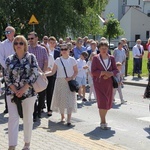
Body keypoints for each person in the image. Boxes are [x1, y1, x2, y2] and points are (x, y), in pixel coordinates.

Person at [5, 35, 39, 150]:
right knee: (13, 118)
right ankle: (12, 145)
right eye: (16, 43)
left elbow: (35, 74)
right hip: (12, 93)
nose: (18, 45)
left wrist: (24, 89)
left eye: (21, 43)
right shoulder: (9, 59)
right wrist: (16, 90)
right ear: (13, 46)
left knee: (28, 118)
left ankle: (27, 144)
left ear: (25, 45)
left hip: (29, 93)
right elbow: (7, 77)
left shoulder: (31, 58)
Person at [45, 44, 78, 126]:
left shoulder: (72, 60)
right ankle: (62, 116)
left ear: (69, 50)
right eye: (62, 49)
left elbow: (76, 71)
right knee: (61, 100)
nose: (63, 51)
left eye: (65, 49)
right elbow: (53, 72)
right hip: (60, 81)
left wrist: (71, 78)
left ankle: (69, 119)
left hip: (69, 82)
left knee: (70, 100)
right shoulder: (57, 60)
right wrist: (43, 74)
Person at [91, 40, 118, 130]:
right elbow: (93, 71)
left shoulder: (112, 58)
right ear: (99, 49)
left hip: (108, 83)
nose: (104, 50)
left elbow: (115, 70)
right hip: (99, 83)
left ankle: (103, 118)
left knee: (107, 102)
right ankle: (103, 121)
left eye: (105, 48)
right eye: (102, 48)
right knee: (102, 101)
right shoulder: (96, 58)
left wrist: (110, 74)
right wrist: (103, 73)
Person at [28, 31, 48, 121]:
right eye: (28, 39)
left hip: (40, 76)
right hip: (30, 77)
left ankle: (39, 110)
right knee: (32, 96)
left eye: (32, 38)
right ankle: (34, 113)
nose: (30, 40)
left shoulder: (42, 49)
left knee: (42, 95)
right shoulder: (27, 49)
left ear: (36, 38)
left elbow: (46, 62)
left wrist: (43, 73)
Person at [0, 26, 16, 114]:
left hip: (18, 69)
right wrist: (7, 68)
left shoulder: (17, 42)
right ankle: (7, 107)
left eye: (8, 32)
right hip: (7, 69)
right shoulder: (3, 44)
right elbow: (1, 58)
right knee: (8, 87)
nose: (6, 34)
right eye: (5, 32)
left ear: (13, 33)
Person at [46, 36, 60, 116]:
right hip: (45, 72)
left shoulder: (57, 52)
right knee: (42, 91)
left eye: (53, 43)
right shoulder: (45, 50)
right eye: (50, 42)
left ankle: (49, 108)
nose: (52, 44)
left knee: (50, 91)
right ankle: (41, 106)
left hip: (53, 73)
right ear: (48, 43)